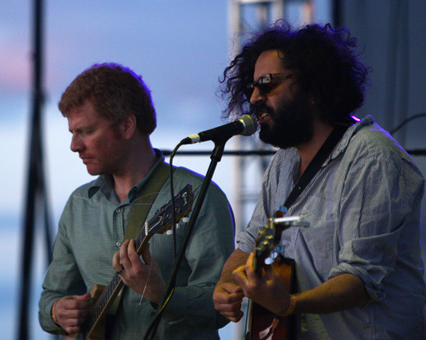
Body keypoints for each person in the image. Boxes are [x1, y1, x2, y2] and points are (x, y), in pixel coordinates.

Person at [213, 21, 426, 339]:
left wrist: (288, 304)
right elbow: (252, 241)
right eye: (251, 88)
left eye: (267, 84)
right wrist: (225, 285)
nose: (255, 98)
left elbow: (360, 279)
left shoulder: (373, 159)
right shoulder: (285, 161)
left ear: (313, 88)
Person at [38, 62, 235, 339]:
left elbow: (222, 307)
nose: (75, 145)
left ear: (127, 125)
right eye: (72, 132)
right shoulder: (79, 204)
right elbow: (51, 298)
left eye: (86, 131)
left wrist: (159, 293)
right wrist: (58, 311)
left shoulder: (199, 196)